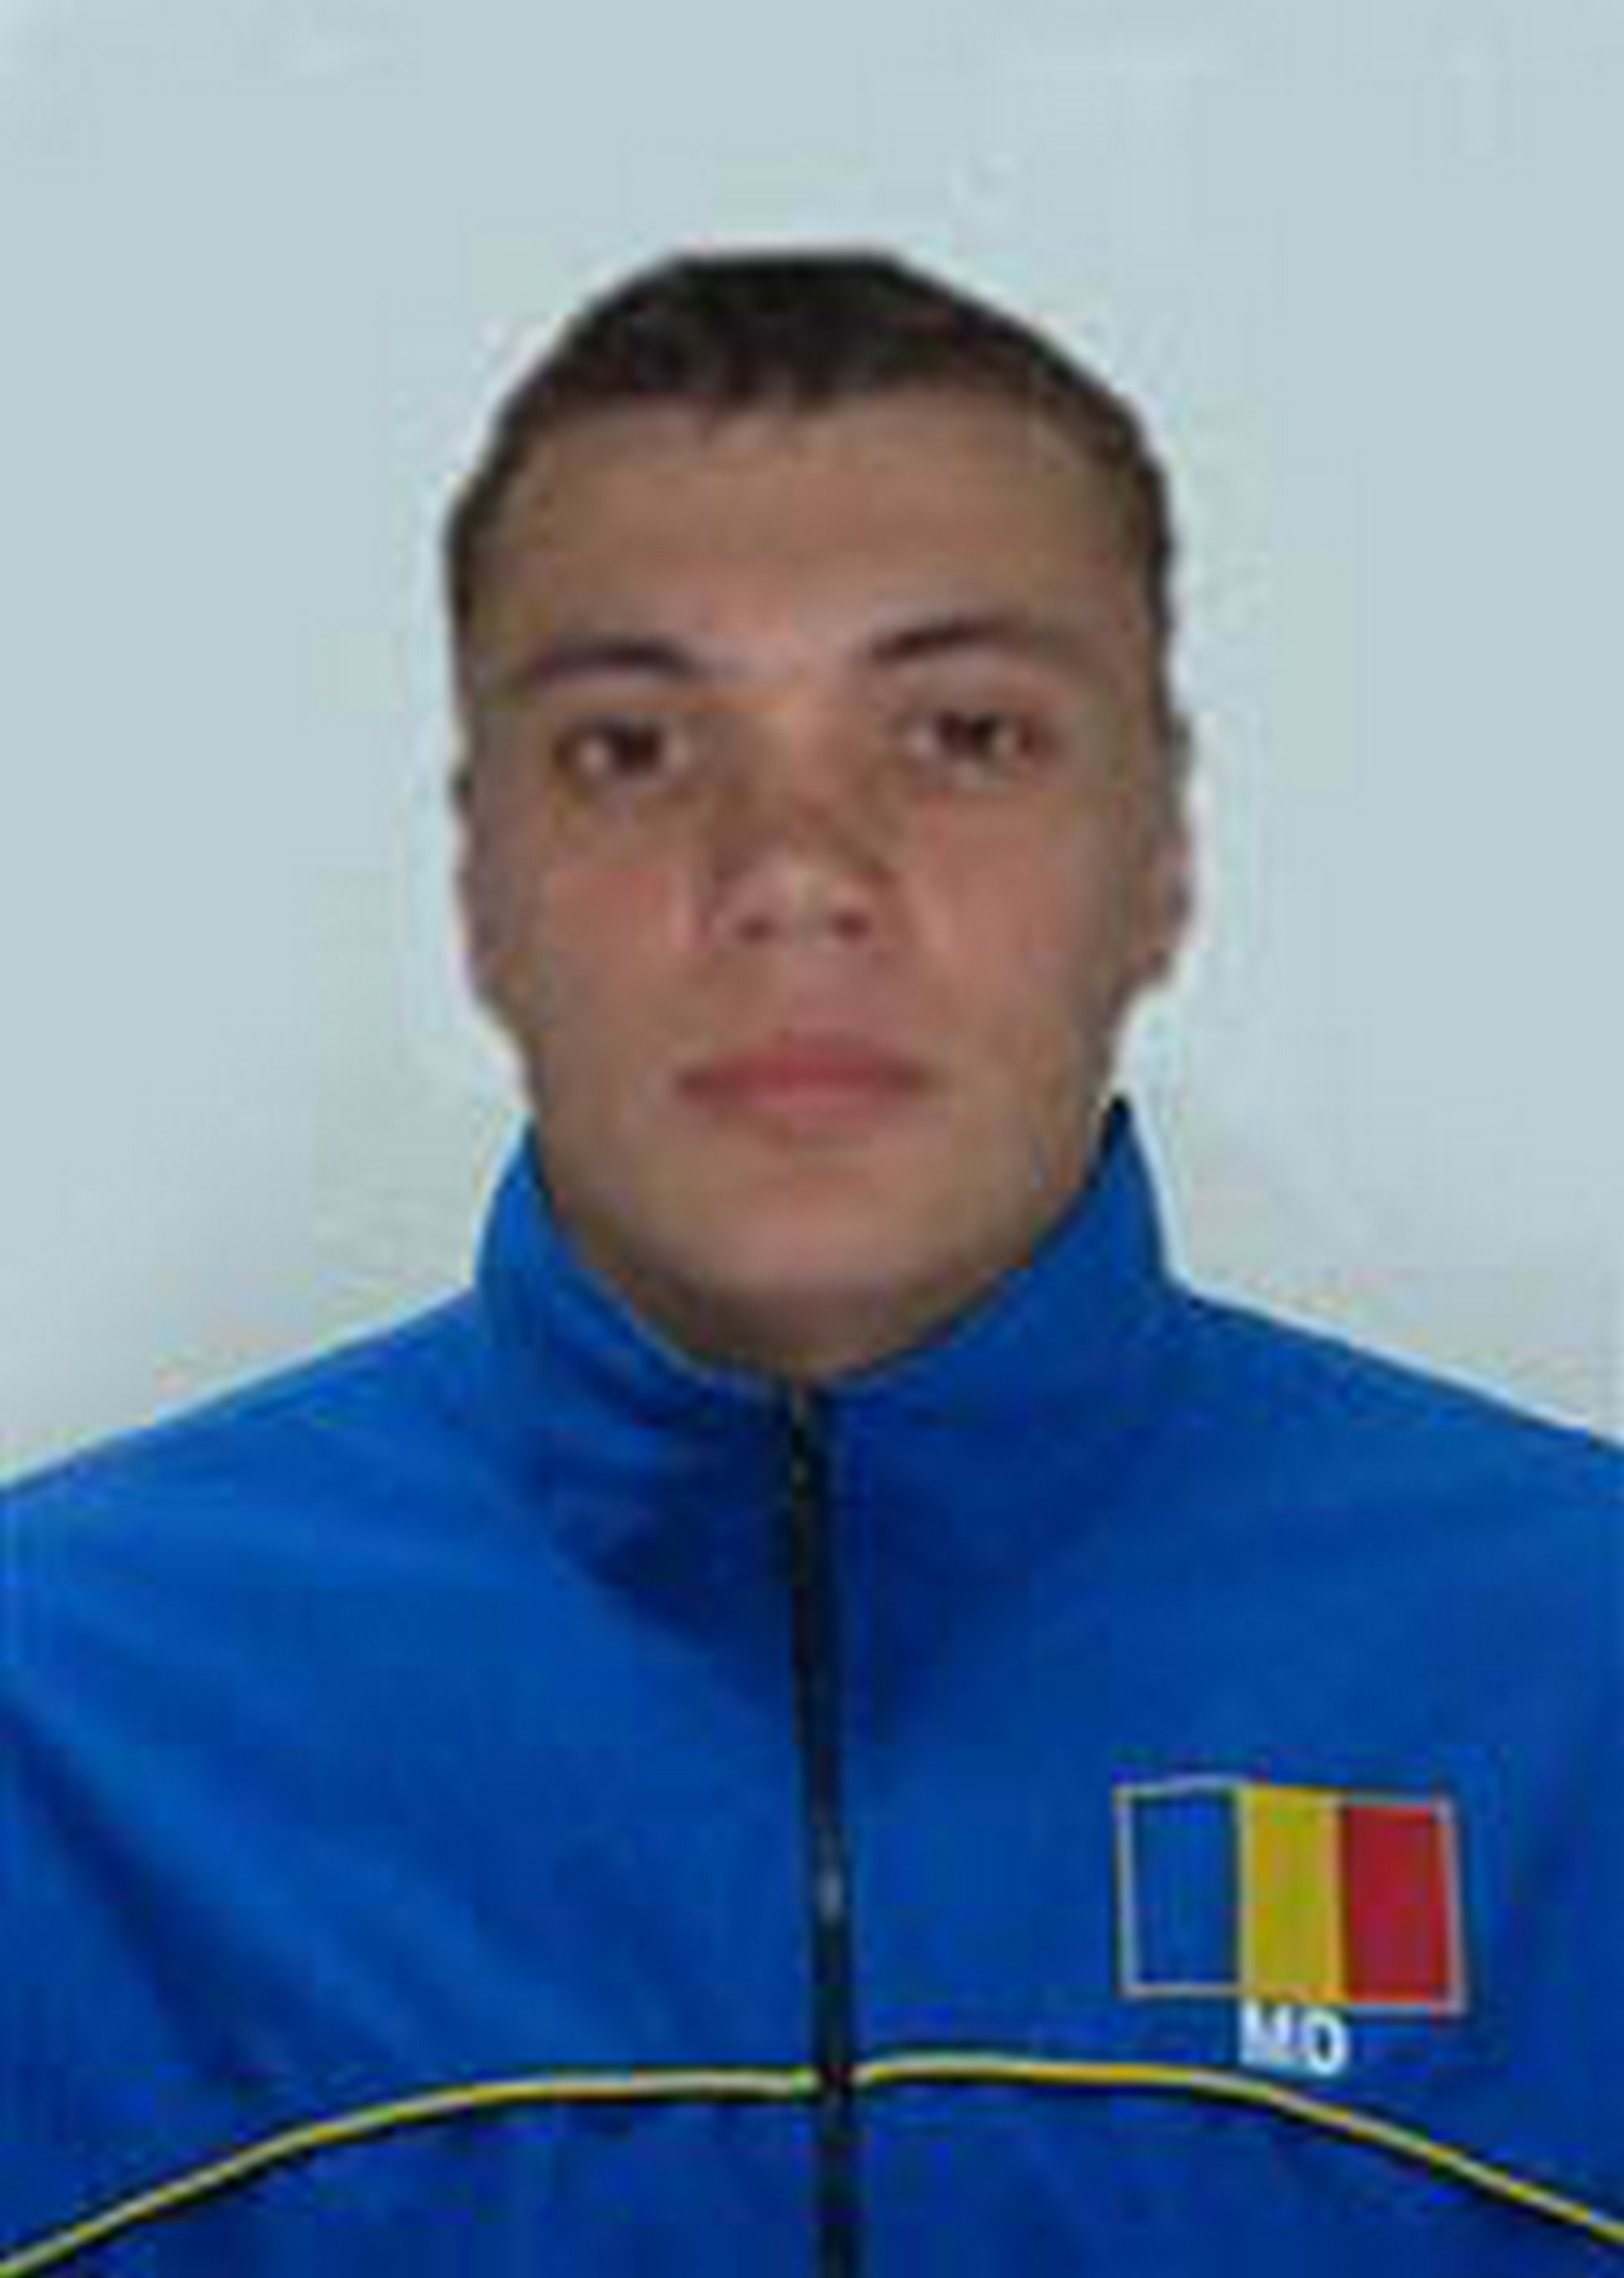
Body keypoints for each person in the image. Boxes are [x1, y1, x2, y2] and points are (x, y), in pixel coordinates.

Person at [2, 249, 1618, 2276]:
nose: (791, 875)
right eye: (629, 748)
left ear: (1163, 858)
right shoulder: (50, 1727)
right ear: (480, 879)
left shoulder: (1580, 1686)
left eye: (961, 734)